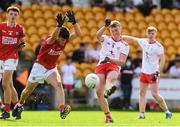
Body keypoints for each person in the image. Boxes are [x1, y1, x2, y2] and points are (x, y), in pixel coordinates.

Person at [13, 11, 81, 119]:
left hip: (51, 68)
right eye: (62, 39)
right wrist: (58, 26)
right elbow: (54, 37)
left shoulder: (64, 41)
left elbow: (78, 34)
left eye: (65, 40)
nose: (64, 42)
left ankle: (62, 109)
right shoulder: (49, 41)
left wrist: (74, 22)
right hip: (38, 68)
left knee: (59, 85)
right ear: (58, 36)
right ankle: (19, 105)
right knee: (27, 91)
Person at [122, 26, 172, 119]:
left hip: (153, 73)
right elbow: (132, 39)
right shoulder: (143, 41)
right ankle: (142, 114)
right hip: (144, 73)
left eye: (153, 33)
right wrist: (120, 37)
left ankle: (167, 112)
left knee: (155, 95)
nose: (151, 35)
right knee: (142, 93)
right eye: (149, 33)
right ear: (146, 34)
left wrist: (157, 72)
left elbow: (163, 60)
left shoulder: (159, 46)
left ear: (155, 34)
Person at [96, 19, 129, 123]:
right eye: (113, 30)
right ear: (110, 31)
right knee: (98, 92)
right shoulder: (106, 39)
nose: (115, 32)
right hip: (101, 64)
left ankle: (109, 89)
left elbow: (122, 62)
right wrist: (105, 26)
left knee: (111, 77)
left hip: (113, 65)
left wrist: (110, 59)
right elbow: (98, 36)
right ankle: (108, 116)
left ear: (120, 29)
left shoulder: (125, 45)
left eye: (116, 30)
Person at [0, 6, 26, 119]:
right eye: (11, 14)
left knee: (5, 84)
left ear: (17, 16)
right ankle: (17, 106)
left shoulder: (20, 28)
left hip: (12, 57)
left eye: (15, 14)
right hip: (1, 58)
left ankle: (6, 111)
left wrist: (22, 45)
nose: (13, 16)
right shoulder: (1, 26)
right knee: (9, 85)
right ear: (7, 15)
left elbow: (23, 42)